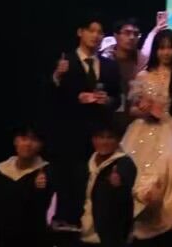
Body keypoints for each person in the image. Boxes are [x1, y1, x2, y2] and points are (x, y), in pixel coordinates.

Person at [39, 118, 138, 247]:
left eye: (109, 137)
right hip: (83, 235)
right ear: (93, 139)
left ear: (117, 140)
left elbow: (126, 194)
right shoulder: (84, 166)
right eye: (100, 137)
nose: (104, 142)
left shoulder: (124, 164)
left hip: (110, 238)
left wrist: (118, 186)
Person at [47, 17, 124, 224]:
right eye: (91, 30)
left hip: (100, 137)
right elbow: (50, 98)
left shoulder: (109, 66)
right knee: (69, 187)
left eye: (100, 32)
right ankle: (66, 227)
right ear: (80, 32)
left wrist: (108, 100)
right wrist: (58, 77)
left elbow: (118, 98)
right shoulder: (65, 61)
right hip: (70, 135)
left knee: (97, 186)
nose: (96, 36)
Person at [122, 27, 172, 179]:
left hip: (171, 132)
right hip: (142, 130)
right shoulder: (143, 75)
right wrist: (144, 110)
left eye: (170, 48)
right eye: (162, 48)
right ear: (155, 50)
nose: (166, 52)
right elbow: (132, 110)